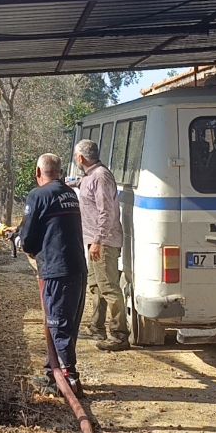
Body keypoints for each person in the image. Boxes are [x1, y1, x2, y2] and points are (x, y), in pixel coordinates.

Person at [14, 153, 87, 396]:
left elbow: (29, 241)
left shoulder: (38, 195)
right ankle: (53, 369)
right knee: (68, 323)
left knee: (57, 323)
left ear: (38, 173)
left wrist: (19, 240)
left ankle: (68, 377)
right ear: (60, 171)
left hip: (57, 271)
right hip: (77, 267)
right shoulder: (69, 194)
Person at [73, 139, 130, 351]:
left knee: (109, 288)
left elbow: (107, 212)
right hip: (93, 241)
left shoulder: (101, 177)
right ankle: (96, 326)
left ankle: (119, 335)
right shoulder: (90, 176)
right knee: (96, 286)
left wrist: (98, 240)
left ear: (81, 158)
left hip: (103, 242)